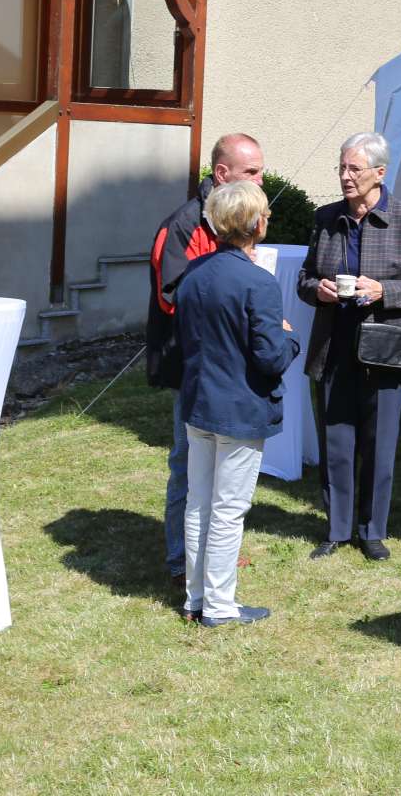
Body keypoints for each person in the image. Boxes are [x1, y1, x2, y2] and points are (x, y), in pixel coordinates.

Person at [298, 133, 401, 562]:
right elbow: (305, 277)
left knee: (380, 443)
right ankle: (337, 529)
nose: (345, 176)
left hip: (388, 348)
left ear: (380, 173)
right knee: (336, 441)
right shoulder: (326, 218)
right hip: (335, 345)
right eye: (341, 167)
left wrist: (384, 290)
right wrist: (317, 290)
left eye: (353, 169)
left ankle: (372, 530)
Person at [175, 181, 301, 626]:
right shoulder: (257, 282)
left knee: (200, 504)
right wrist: (290, 338)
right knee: (227, 510)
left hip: (198, 403)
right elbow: (270, 358)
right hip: (239, 409)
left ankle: (196, 597)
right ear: (255, 223)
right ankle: (221, 606)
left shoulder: (193, 273)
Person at [145, 133, 264, 586]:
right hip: (191, 366)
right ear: (222, 174)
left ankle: (215, 555)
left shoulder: (239, 218)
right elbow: (173, 295)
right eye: (251, 172)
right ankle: (180, 561)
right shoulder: (183, 224)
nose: (260, 180)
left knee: (222, 468)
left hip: (227, 364)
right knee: (187, 461)